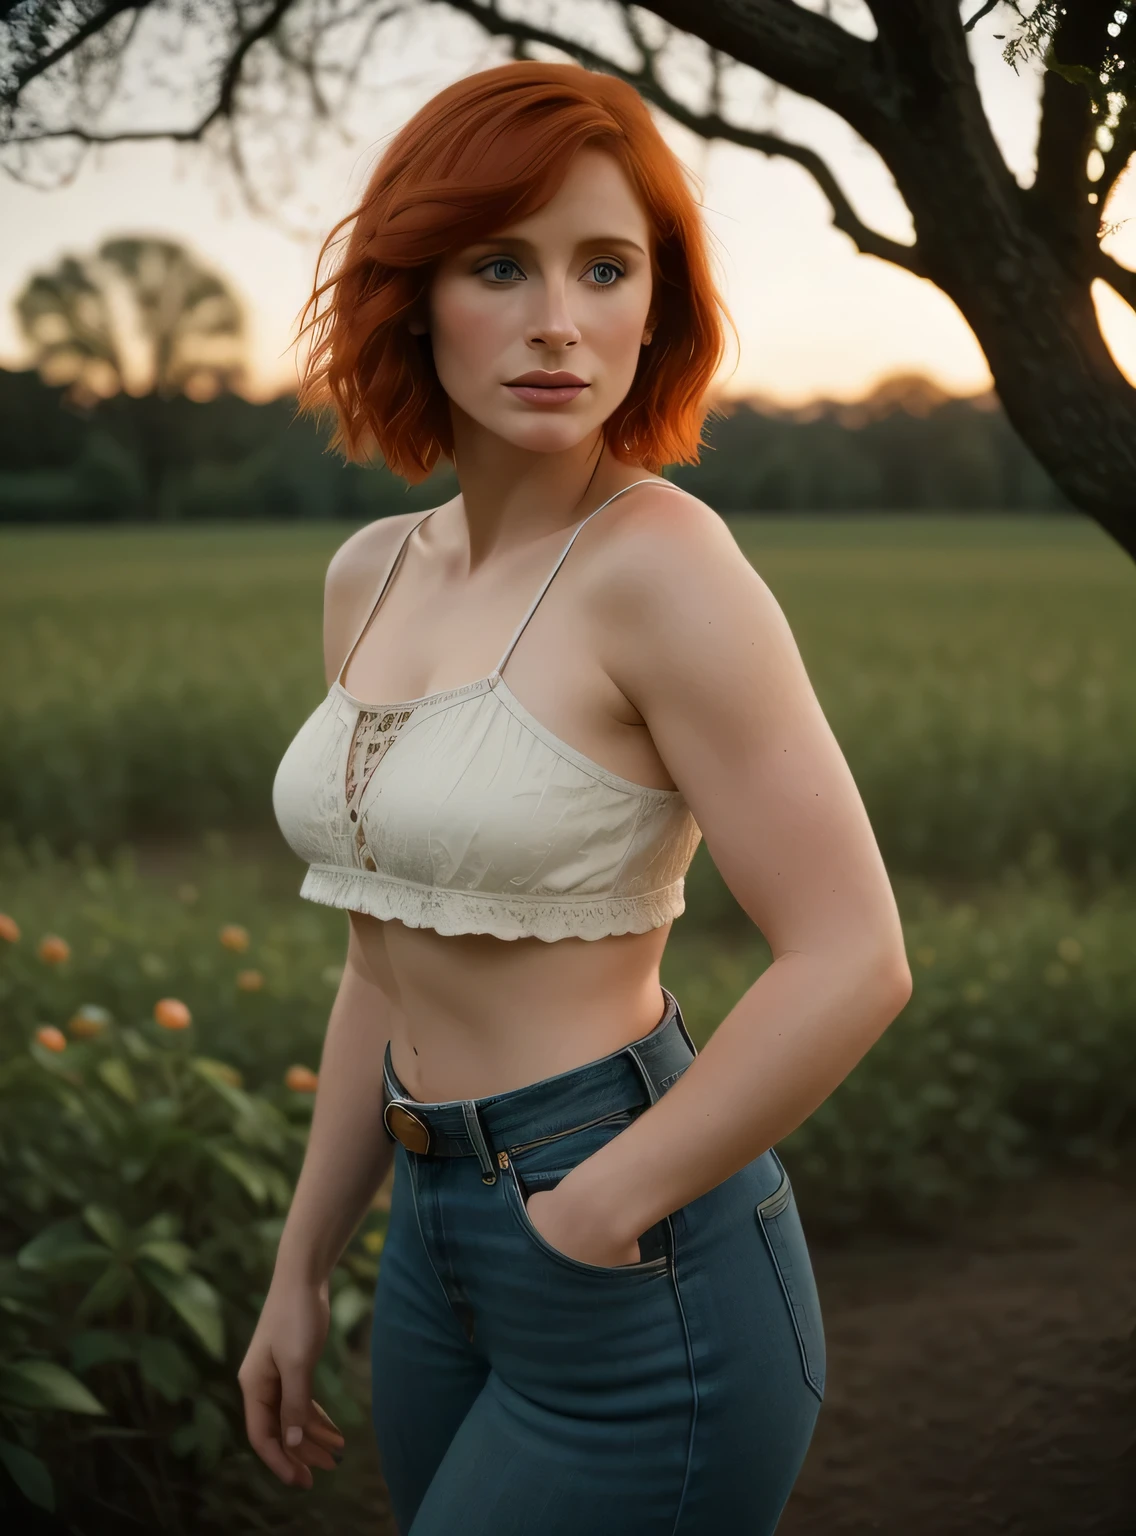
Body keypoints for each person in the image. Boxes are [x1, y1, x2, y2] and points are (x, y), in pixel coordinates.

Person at [241, 59, 912, 1536]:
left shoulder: (664, 567)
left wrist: (595, 1211)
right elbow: (381, 958)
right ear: (414, 293)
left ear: (655, 306)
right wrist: (302, 1268)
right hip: (429, 1244)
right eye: (502, 264)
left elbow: (855, 957)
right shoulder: (371, 572)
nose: (559, 318)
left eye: (606, 267)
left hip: (626, 1241)